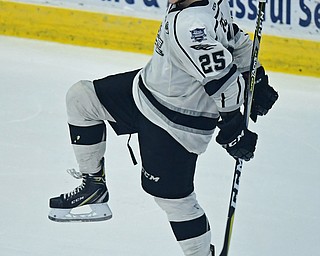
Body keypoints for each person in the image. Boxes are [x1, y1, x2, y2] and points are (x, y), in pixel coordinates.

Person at [48, 0, 278, 255]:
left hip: (176, 121)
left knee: (174, 200)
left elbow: (224, 83)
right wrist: (255, 74)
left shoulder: (189, 27)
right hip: (146, 91)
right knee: (82, 98)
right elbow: (233, 36)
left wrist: (234, 128)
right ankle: (94, 186)